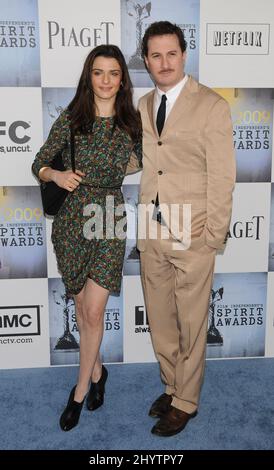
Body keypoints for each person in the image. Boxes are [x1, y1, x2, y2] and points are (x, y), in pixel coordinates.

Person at [32, 45, 142, 431]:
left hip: (109, 216)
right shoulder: (73, 118)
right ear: (89, 76)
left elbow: (154, 160)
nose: (107, 80)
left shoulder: (133, 122)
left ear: (123, 79)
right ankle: (98, 374)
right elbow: (40, 162)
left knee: (93, 311)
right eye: (99, 72)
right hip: (70, 221)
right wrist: (56, 175)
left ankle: (78, 393)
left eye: (114, 73)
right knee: (81, 308)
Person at [137, 21, 236, 436]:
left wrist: (212, 236)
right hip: (152, 229)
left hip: (193, 232)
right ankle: (172, 385)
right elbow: (142, 158)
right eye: (155, 55)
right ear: (146, 60)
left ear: (184, 54)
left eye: (171, 53)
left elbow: (223, 176)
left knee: (193, 322)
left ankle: (187, 401)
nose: (164, 62)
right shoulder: (142, 104)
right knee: (160, 319)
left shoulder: (211, 105)